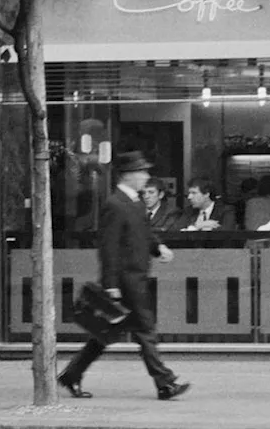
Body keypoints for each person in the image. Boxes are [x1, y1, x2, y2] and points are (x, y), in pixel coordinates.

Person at [57, 151, 190, 401]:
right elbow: (108, 247)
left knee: (104, 335)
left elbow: (143, 233)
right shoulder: (114, 204)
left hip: (136, 278)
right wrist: (111, 285)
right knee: (145, 330)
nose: (145, 176)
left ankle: (71, 375)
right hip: (126, 282)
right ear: (128, 175)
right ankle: (165, 383)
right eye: (141, 172)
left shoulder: (135, 203)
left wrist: (158, 247)